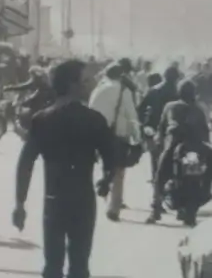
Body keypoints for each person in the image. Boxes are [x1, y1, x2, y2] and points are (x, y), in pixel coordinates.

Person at [13, 59, 117, 278]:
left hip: (53, 200)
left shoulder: (42, 119)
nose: (88, 85)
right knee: (79, 265)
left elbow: (26, 163)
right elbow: (112, 159)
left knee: (53, 264)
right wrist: (106, 181)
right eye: (84, 80)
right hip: (83, 200)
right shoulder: (94, 120)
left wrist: (19, 203)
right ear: (72, 84)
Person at [147, 79, 212, 224]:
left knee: (159, 177)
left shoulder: (170, 106)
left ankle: (155, 210)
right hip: (196, 148)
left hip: (175, 147)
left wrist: (159, 143)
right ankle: (204, 193)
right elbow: (205, 132)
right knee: (208, 170)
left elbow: (162, 129)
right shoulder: (198, 109)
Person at [88, 62, 141, 221]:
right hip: (117, 135)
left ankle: (106, 196)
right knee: (118, 172)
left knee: (106, 168)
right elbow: (131, 115)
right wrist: (137, 138)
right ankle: (114, 208)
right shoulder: (122, 90)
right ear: (120, 75)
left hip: (98, 135)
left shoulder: (98, 89)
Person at [138, 65, 182, 180]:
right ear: (177, 78)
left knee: (155, 159)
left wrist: (144, 125)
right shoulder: (179, 92)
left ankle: (157, 188)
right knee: (174, 157)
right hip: (174, 130)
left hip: (155, 129)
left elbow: (141, 109)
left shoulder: (153, 90)